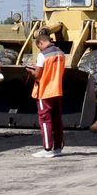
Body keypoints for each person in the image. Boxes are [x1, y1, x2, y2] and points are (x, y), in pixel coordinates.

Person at [26, 29, 64, 157]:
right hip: (57, 90)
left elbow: (38, 74)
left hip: (44, 91)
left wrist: (31, 71)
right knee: (57, 120)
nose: (39, 49)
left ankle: (47, 149)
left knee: (44, 120)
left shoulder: (42, 55)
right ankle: (58, 147)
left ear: (41, 42)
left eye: (39, 47)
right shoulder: (60, 53)